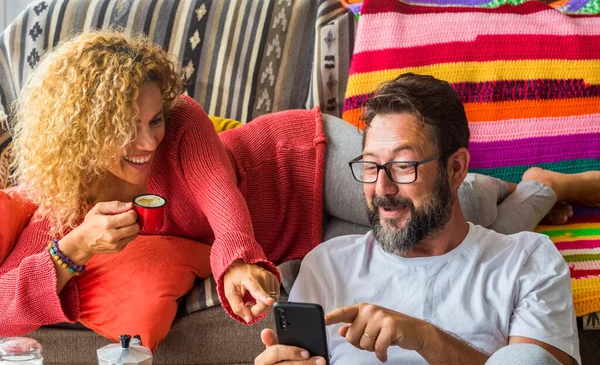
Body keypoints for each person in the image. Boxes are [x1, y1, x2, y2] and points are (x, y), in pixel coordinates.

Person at [0, 32, 590, 347]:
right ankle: (538, 190)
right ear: (79, 131)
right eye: (123, 128)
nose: (146, 142)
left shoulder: (183, 122)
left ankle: (526, 179)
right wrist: (72, 249)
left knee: (458, 215)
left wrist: (235, 264)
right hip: (304, 240)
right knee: (410, 249)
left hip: (302, 163)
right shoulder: (62, 199)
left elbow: (220, 201)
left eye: (152, 120)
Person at [255, 73, 599, 365]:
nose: (381, 187)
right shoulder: (327, 266)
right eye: (371, 166)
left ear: (456, 168)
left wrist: (425, 338)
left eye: (403, 166)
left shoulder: (528, 260)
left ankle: (543, 186)